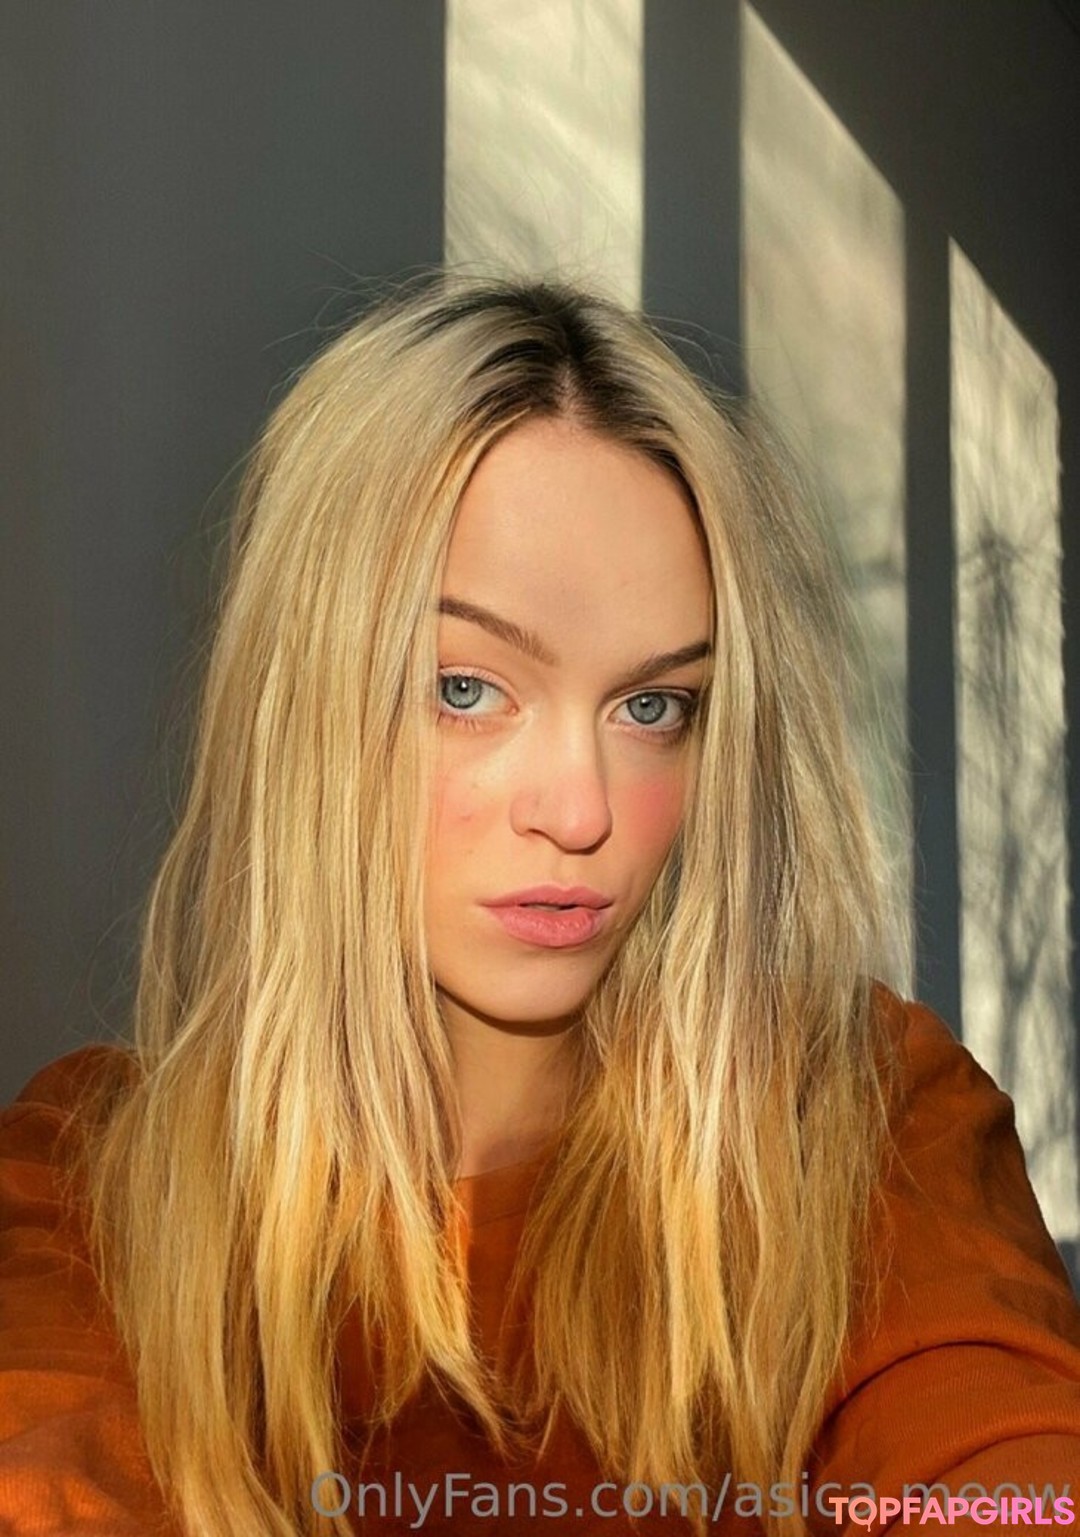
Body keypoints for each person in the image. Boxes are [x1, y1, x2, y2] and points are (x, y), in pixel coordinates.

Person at [1, 274, 1078, 1537]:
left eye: (653, 706)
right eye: (466, 688)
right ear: (305, 703)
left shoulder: (860, 1115)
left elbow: (1005, 1467)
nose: (580, 810)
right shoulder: (92, 1189)